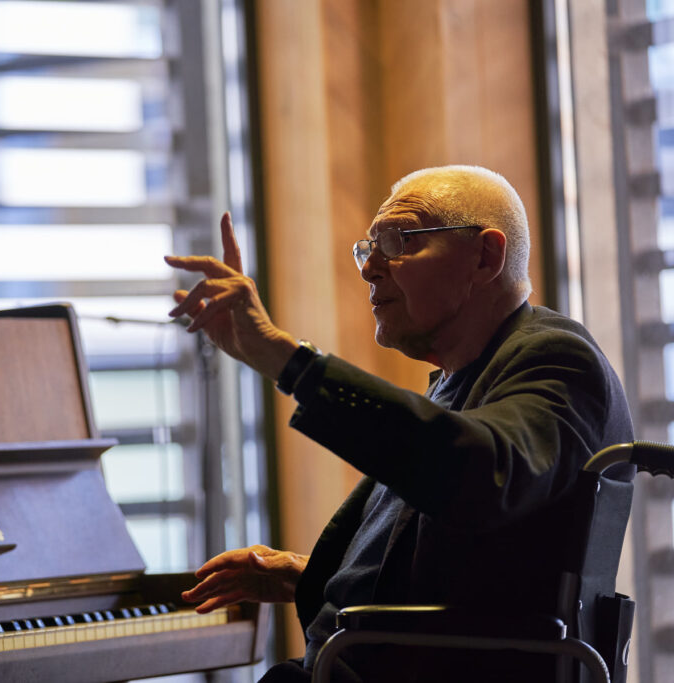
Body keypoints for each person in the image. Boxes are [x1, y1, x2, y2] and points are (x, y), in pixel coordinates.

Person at [164, 165, 634, 682]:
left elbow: (482, 475)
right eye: (368, 249)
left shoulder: (557, 357)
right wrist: (302, 574)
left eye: (396, 241)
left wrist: (290, 361)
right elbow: (475, 568)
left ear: (486, 255)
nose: (370, 269)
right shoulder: (459, 379)